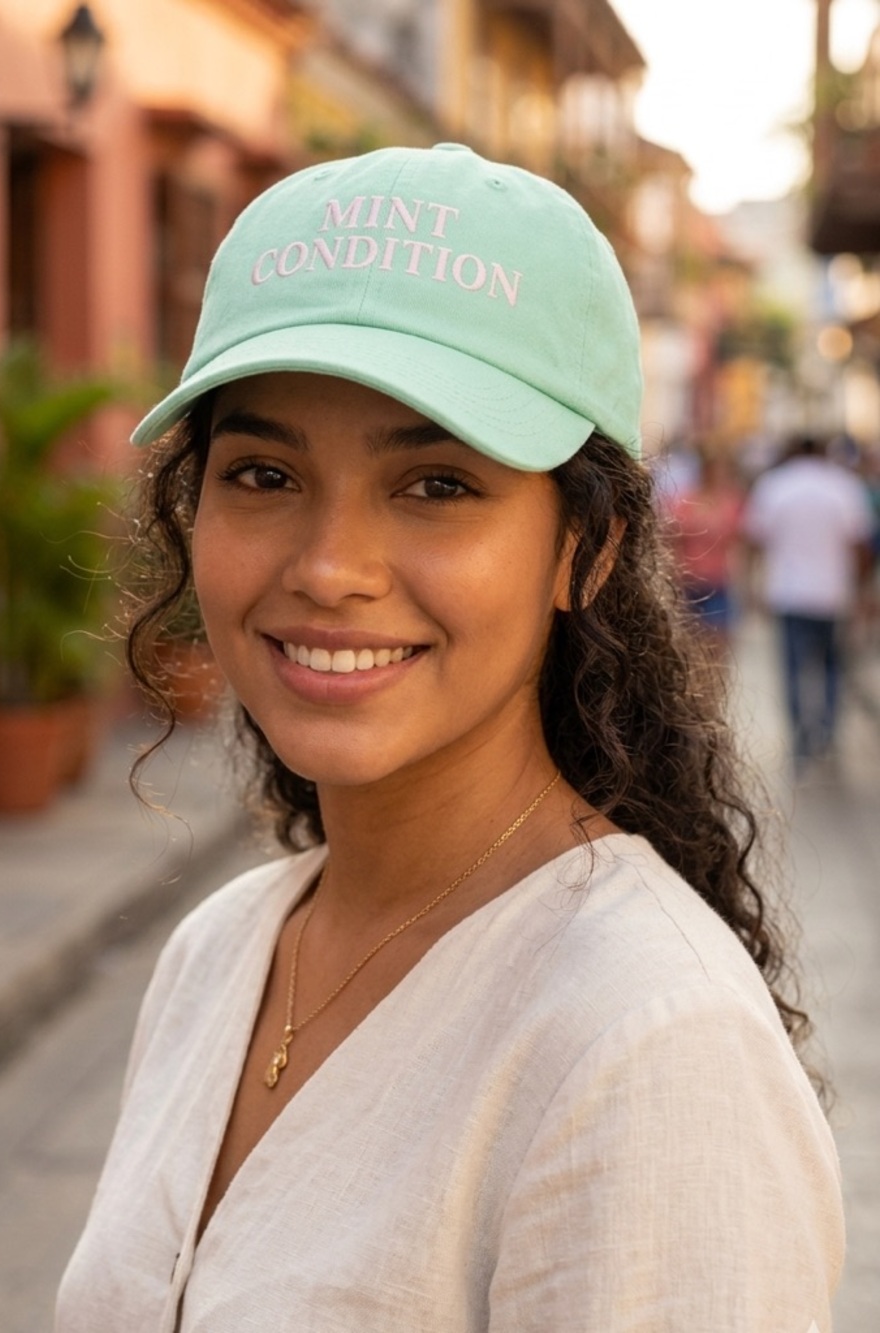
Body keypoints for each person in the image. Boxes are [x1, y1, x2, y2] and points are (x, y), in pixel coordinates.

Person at [56, 145, 843, 1331]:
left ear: (586, 549)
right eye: (263, 472)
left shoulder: (648, 1046)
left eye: (436, 485)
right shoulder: (218, 952)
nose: (329, 568)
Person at [744, 433, 875, 770]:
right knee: (831, 667)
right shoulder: (843, 486)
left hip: (789, 593)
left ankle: (800, 735)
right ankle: (826, 733)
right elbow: (860, 545)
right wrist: (861, 591)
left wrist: (751, 586)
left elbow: (755, 541)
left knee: (793, 668)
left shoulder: (775, 485)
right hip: (833, 594)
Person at [664, 447, 744, 659]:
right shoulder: (687, 501)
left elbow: (739, 541)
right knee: (689, 645)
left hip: (718, 580)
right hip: (689, 580)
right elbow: (671, 537)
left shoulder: (730, 502)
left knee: (718, 643)